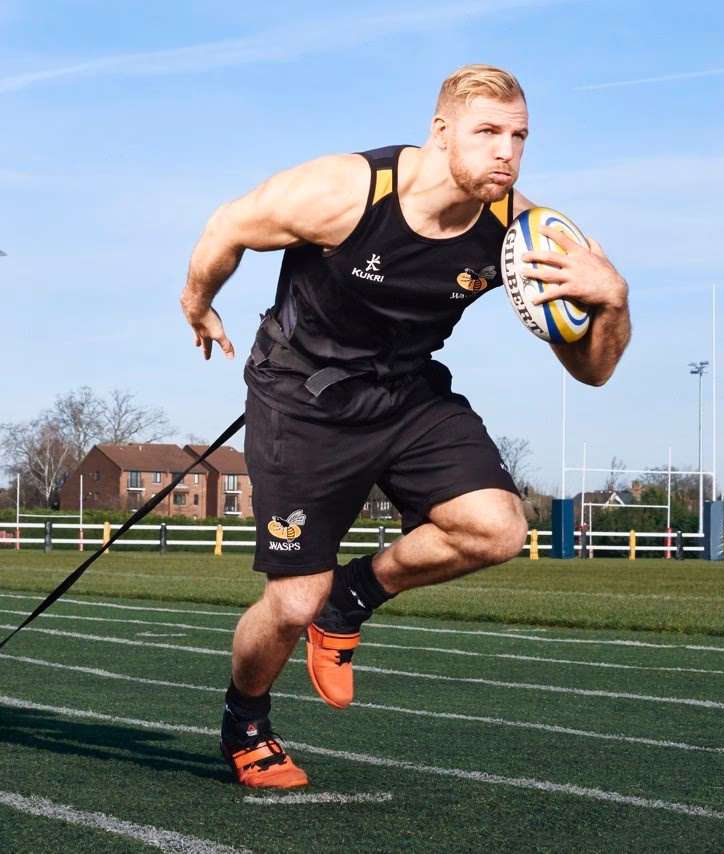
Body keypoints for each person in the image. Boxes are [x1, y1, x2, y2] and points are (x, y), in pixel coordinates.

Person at [179, 64, 631, 788]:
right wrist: (199, 300)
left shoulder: (521, 230)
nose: (506, 153)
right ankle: (247, 721)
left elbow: (593, 371)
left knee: (497, 529)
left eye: (519, 136)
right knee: (292, 598)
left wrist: (611, 300)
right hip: (304, 392)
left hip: (407, 388)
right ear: (440, 131)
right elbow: (228, 225)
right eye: (487, 133)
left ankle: (351, 598)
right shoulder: (346, 192)